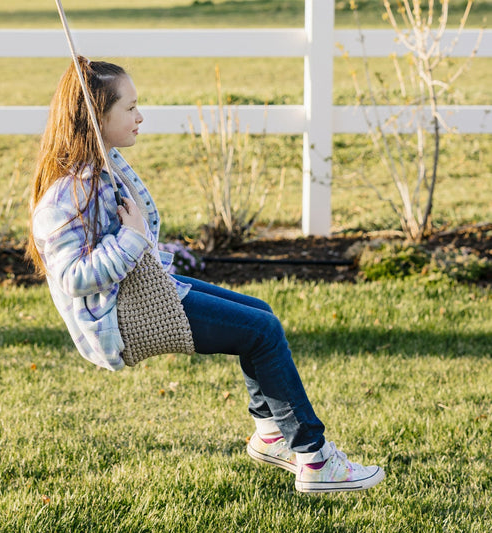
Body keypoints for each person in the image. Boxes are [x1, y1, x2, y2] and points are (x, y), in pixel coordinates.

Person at [27, 57, 385, 494]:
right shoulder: (68, 193)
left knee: (260, 314)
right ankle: (315, 460)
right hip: (120, 319)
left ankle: (271, 436)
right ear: (97, 117)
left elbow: (131, 240)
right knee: (263, 331)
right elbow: (74, 278)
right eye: (130, 107)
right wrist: (133, 239)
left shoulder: (106, 167)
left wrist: (141, 242)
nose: (140, 116)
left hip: (146, 293)